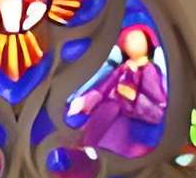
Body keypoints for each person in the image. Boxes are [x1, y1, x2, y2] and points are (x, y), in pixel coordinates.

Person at [62, 21, 169, 161]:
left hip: (138, 109)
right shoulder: (123, 68)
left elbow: (156, 95)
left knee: (111, 111)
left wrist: (134, 97)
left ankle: (91, 143)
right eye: (128, 40)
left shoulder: (149, 69)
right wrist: (88, 99)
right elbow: (107, 85)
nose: (132, 43)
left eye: (137, 39)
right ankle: (87, 142)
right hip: (114, 104)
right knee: (107, 109)